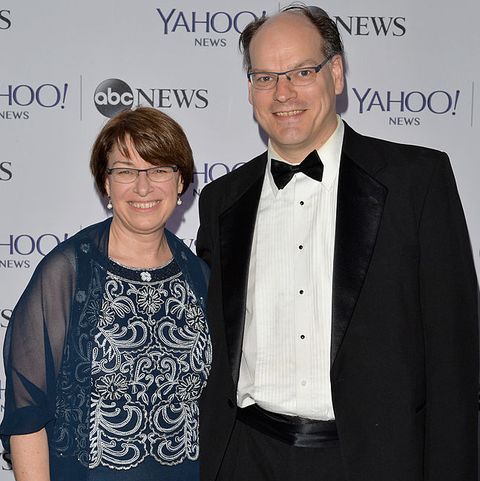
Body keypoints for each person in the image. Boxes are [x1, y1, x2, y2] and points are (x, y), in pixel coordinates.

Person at [196, 5, 478, 481]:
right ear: (250, 90)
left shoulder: (417, 182)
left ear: (337, 73)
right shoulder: (221, 199)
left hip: (375, 461)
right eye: (265, 77)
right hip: (246, 457)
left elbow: (456, 358)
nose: (283, 93)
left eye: (302, 72)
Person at [0, 106, 212, 481]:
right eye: (125, 171)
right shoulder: (66, 273)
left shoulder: (198, 276)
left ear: (180, 183)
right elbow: (26, 415)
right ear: (105, 184)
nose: (143, 187)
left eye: (159, 169)